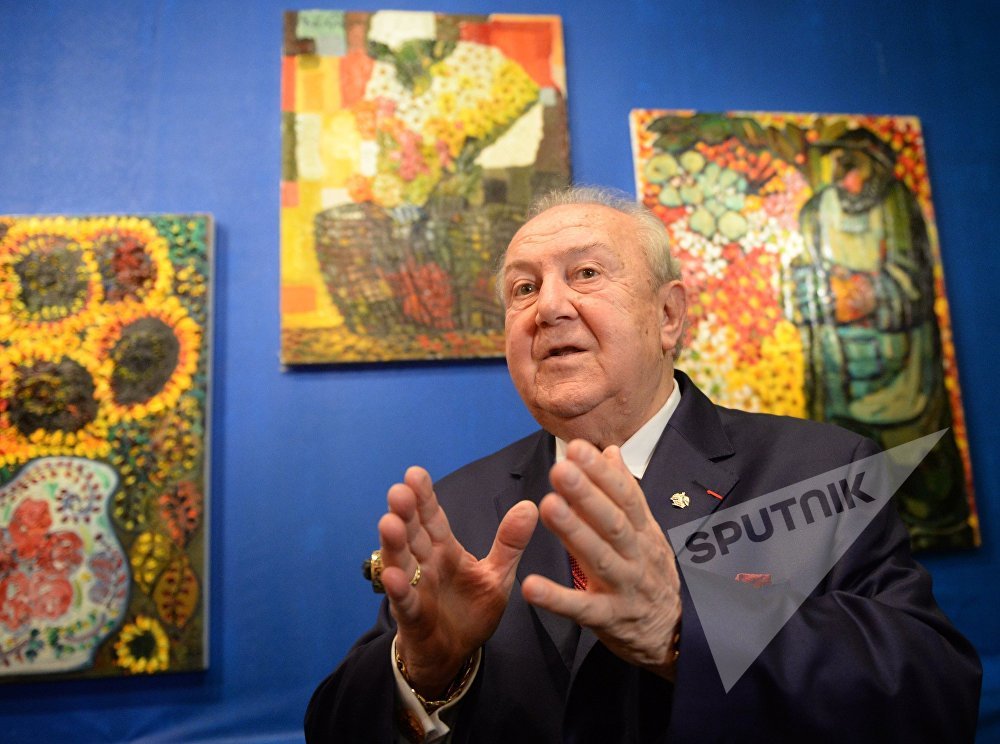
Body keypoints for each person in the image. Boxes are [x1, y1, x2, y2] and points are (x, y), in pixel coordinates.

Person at [305, 186, 981, 743]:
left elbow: (934, 696)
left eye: (586, 274)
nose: (549, 307)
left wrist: (684, 628)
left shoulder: (824, 468)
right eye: (523, 288)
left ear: (668, 316)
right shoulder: (458, 507)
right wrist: (423, 673)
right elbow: (333, 727)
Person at [791, 127, 972, 550]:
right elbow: (802, 279)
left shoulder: (896, 204)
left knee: (923, 483)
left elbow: (914, 283)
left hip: (902, 375)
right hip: (840, 374)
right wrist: (821, 294)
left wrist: (866, 294)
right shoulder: (817, 211)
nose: (844, 176)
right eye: (838, 164)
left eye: (852, 165)